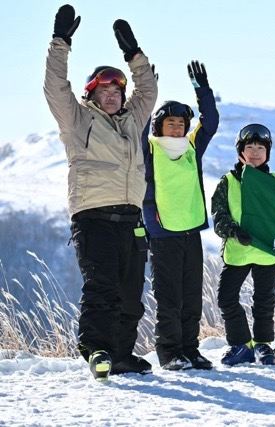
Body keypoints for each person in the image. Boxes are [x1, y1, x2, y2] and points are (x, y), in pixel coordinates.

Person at [44, 5, 158, 379]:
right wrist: (61, 42)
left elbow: (149, 90)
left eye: (117, 89)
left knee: (130, 297)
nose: (113, 95)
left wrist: (134, 54)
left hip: (130, 218)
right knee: (102, 288)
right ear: (92, 93)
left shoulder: (133, 119)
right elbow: (55, 86)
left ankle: (121, 354)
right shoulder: (77, 119)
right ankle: (97, 350)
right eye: (105, 89)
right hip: (94, 217)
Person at [141, 61, 219, 371]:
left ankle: (191, 349)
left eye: (181, 123)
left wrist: (203, 91)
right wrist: (146, 90)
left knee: (192, 297)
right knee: (169, 299)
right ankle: (169, 352)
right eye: (170, 122)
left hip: (190, 230)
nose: (176, 127)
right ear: (159, 126)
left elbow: (210, 122)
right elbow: (136, 124)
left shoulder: (191, 148)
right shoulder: (148, 149)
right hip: (162, 232)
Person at [211, 124, 275, 366]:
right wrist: (234, 231)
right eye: (249, 147)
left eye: (260, 147)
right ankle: (242, 344)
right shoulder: (228, 181)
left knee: (264, 300)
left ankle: (263, 345)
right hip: (237, 251)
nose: (254, 152)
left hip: (266, 252)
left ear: (267, 152)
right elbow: (218, 216)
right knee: (226, 298)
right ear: (240, 150)